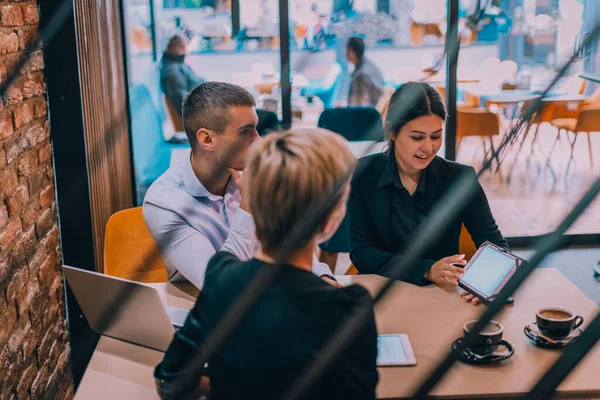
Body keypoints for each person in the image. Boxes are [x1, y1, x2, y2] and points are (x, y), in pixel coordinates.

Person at [154, 128, 379, 400]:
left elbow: (169, 382)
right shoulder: (349, 308)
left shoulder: (221, 277)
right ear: (329, 223)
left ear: (253, 206)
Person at [143, 82, 335, 289]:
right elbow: (220, 284)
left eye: (256, 129)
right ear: (207, 139)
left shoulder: (255, 173)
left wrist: (321, 278)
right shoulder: (164, 202)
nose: (259, 141)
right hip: (203, 310)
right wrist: (248, 207)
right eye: (246, 132)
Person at [349, 82, 508, 303]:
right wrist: (426, 269)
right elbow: (361, 253)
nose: (428, 147)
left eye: (435, 136)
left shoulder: (460, 178)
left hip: (442, 295)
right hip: (382, 291)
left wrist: (487, 283)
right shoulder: (363, 174)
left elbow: (495, 245)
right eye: (417, 137)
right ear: (391, 131)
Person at [159, 35, 205, 116]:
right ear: (181, 48)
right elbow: (182, 102)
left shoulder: (178, 64)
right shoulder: (173, 71)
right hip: (202, 112)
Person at [346, 36, 384, 107]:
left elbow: (358, 108)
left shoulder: (360, 76)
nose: (345, 52)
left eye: (346, 49)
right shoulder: (369, 66)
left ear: (351, 52)